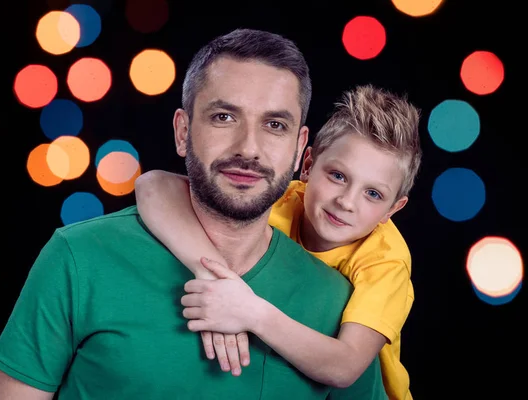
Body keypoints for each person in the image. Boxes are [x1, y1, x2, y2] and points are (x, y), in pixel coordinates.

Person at [0, 28, 387, 399]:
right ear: (182, 131)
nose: (249, 148)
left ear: (300, 148)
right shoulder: (79, 258)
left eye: (275, 125)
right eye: (224, 117)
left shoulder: (335, 302)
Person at [135, 84, 421, 399]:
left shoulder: (385, 261)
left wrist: (250, 312)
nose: (346, 202)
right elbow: (153, 185)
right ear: (308, 165)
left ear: (393, 209)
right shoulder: (284, 198)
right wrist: (209, 272)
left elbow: (345, 367)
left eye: (373, 194)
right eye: (338, 176)